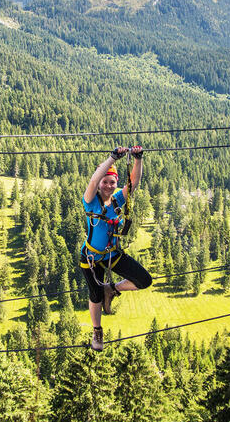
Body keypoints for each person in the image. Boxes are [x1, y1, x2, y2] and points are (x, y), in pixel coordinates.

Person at [81, 145, 152, 351]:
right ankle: (97, 331)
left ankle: (111, 289)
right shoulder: (90, 202)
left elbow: (134, 183)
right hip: (91, 257)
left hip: (113, 254)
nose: (108, 186)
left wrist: (138, 159)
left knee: (144, 280)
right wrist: (112, 158)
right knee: (95, 295)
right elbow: (93, 181)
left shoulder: (118, 199)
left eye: (112, 182)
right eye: (105, 182)